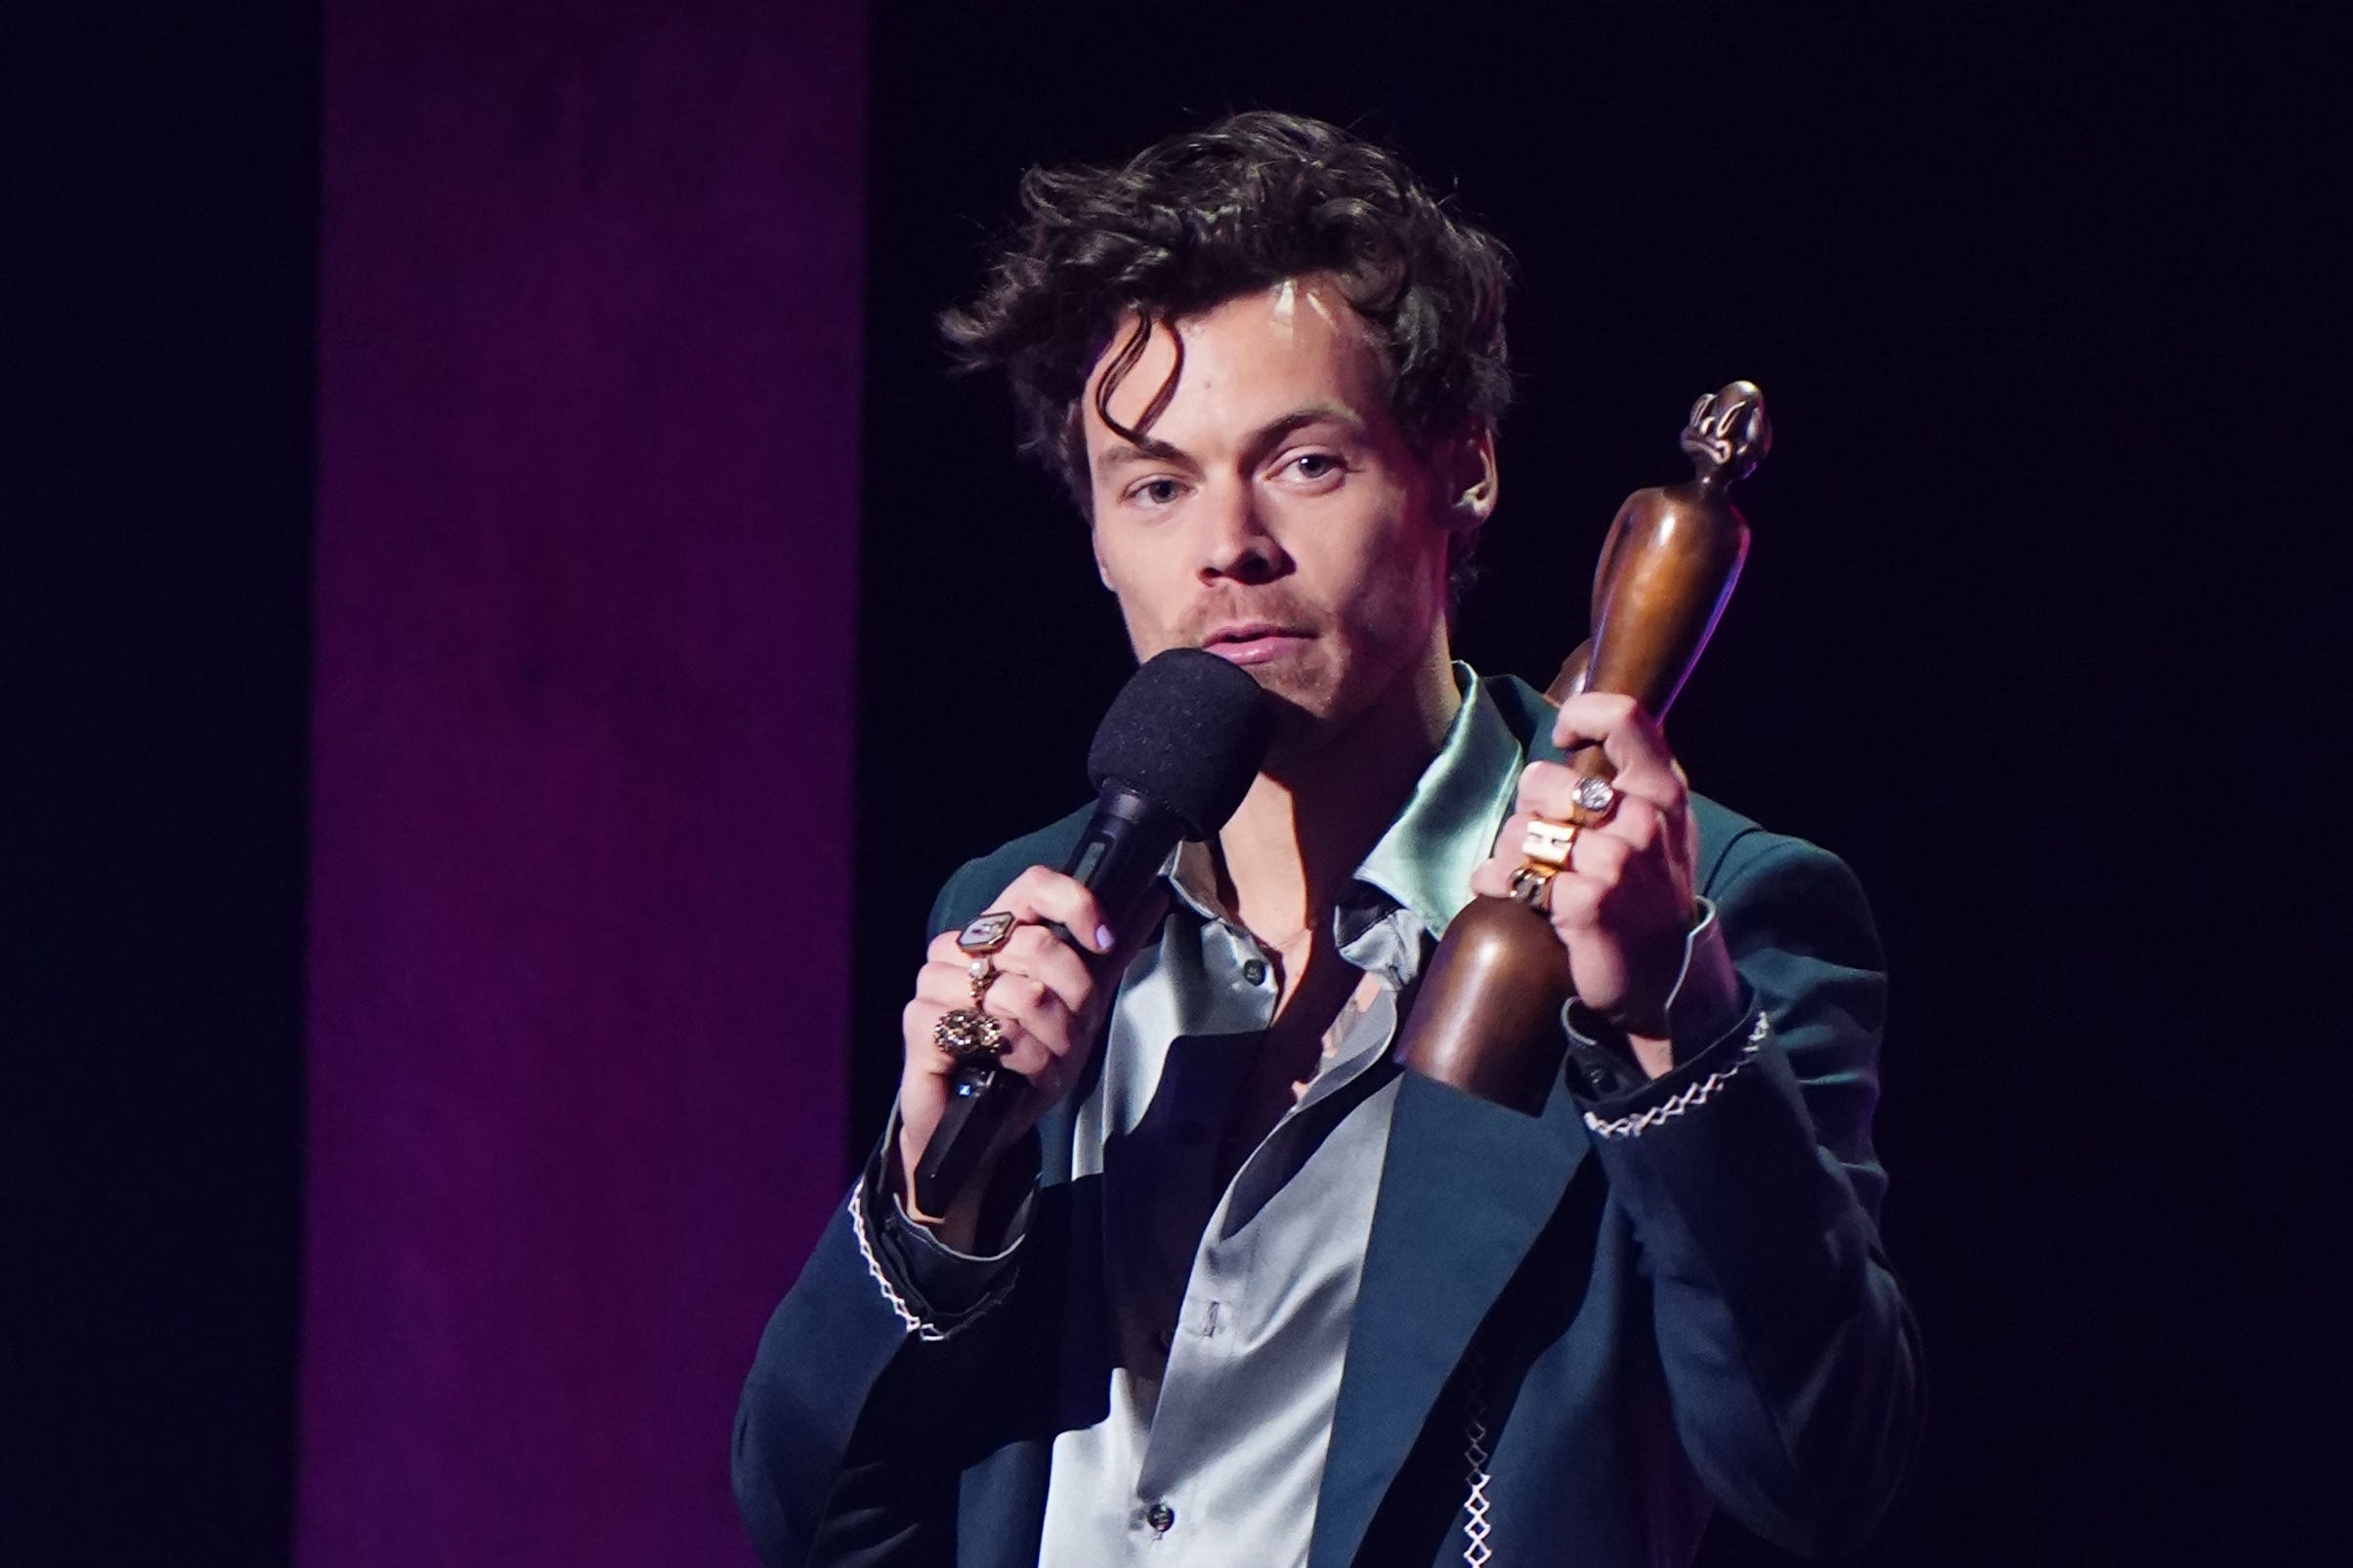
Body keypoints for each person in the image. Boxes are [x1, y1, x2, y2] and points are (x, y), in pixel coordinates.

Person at [733, 111, 1920, 1568]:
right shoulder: (1024, 920)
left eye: (1302, 462)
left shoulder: (1718, 915)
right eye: (1157, 486)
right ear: (1099, 536)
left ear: (1460, 470)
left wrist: (1676, 1015)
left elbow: (1820, 1472)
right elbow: (809, 1513)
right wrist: (936, 1192)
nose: (1225, 543)